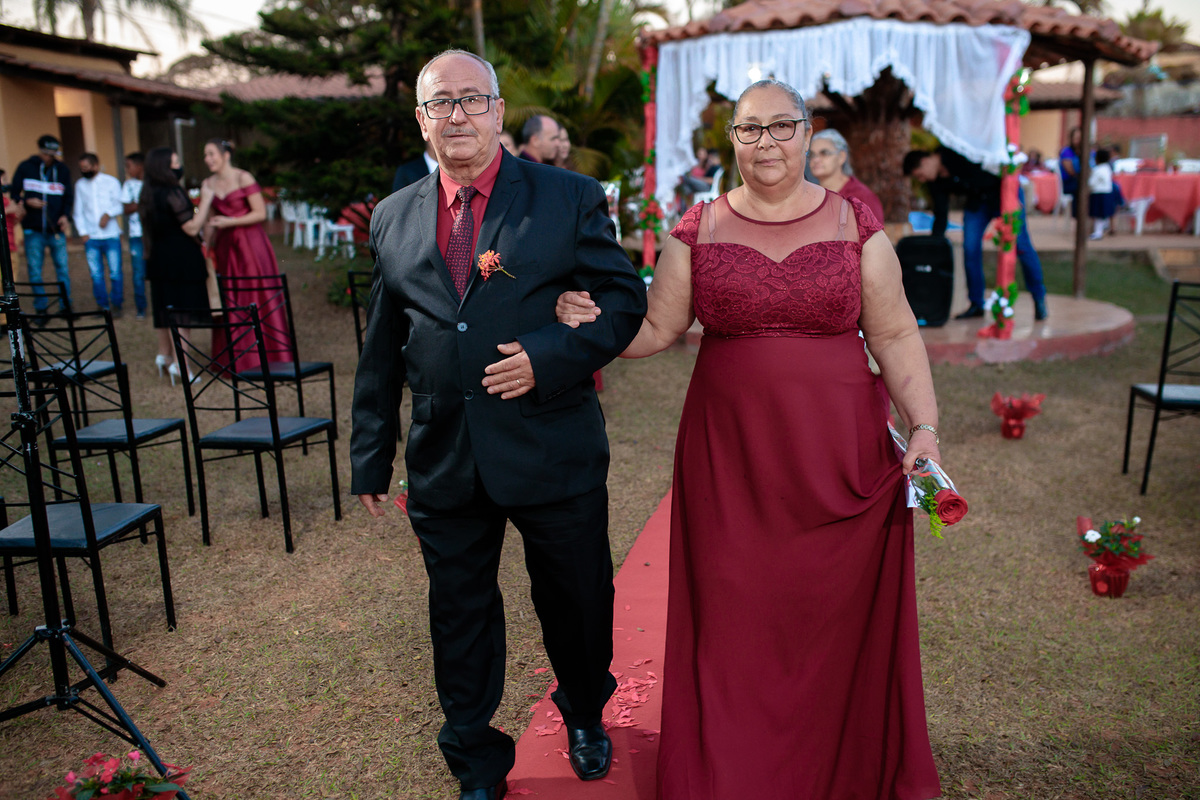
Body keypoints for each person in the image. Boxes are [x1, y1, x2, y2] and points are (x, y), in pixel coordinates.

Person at [555, 78, 943, 800]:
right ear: (732, 140)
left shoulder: (855, 225)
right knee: (734, 613)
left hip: (838, 457)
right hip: (731, 459)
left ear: (807, 132)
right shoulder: (698, 228)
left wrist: (923, 428)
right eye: (749, 129)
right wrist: (590, 322)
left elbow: (894, 334)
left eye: (781, 126)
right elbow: (657, 328)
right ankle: (733, 772)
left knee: (828, 613)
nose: (766, 142)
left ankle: (836, 766)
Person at [349, 49, 646, 800]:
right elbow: (382, 343)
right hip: (445, 454)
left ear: (498, 110)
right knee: (459, 615)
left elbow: (621, 301)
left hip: (552, 444)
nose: (457, 115)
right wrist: (370, 453)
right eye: (440, 103)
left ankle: (586, 712)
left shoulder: (567, 196)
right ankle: (475, 759)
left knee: (577, 601)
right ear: (421, 120)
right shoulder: (392, 215)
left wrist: (548, 357)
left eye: (472, 99)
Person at [903, 146, 1048, 321]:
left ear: (925, 161)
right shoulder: (935, 181)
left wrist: (1012, 195)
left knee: (1022, 245)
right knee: (970, 248)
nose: (922, 179)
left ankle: (1039, 297)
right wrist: (934, 246)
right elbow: (941, 215)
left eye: (920, 175)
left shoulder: (955, 149)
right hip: (978, 203)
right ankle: (976, 303)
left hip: (1003, 192)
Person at [194, 138, 291, 370]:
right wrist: (206, 246)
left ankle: (267, 354)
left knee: (255, 292)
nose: (207, 159)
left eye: (211, 154)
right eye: (205, 155)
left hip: (250, 244)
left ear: (225, 155)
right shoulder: (208, 183)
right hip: (225, 246)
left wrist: (230, 221)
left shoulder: (243, 177)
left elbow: (260, 213)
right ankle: (236, 356)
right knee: (230, 294)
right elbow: (209, 221)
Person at [138, 147, 210, 383]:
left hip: (159, 259)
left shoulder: (148, 192)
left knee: (165, 309)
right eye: (175, 163)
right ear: (164, 168)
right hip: (180, 259)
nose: (179, 167)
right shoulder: (172, 192)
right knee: (180, 313)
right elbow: (191, 227)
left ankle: (165, 355)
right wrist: (206, 200)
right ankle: (182, 365)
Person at [9, 134, 74, 314]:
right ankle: (41, 308)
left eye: (52, 154)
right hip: (33, 229)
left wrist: (65, 216)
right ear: (40, 151)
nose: (49, 157)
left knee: (62, 269)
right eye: (46, 154)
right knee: (35, 270)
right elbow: (14, 193)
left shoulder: (62, 170)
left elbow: (68, 197)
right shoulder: (25, 167)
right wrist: (27, 201)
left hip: (56, 229)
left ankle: (66, 307)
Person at [74, 152, 126, 315]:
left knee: (115, 272)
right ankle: (102, 306)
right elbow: (78, 211)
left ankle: (117, 304)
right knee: (96, 274)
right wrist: (83, 232)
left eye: (86, 167)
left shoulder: (111, 182)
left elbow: (120, 205)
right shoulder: (80, 185)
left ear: (95, 166)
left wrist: (108, 214)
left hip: (111, 235)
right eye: (81, 168)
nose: (84, 170)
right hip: (91, 237)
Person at [809, 128, 886, 223]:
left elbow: (876, 232)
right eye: (812, 154)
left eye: (824, 153)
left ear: (841, 157)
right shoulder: (810, 197)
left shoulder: (862, 197)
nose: (816, 159)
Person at [121, 152, 148, 319]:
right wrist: (142, 203)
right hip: (136, 235)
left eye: (129, 166)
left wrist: (137, 204)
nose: (127, 170)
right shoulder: (128, 184)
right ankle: (141, 308)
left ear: (140, 166)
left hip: (153, 235)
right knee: (138, 273)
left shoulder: (152, 183)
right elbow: (126, 209)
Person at [1088, 148, 1117, 240]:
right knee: (1102, 215)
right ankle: (1100, 229)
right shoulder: (1108, 168)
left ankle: (1098, 233)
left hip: (1098, 194)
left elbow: (1091, 183)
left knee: (1098, 215)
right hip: (1107, 193)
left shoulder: (1097, 170)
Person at [1059, 127, 1082, 211]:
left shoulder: (1085, 151)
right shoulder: (1067, 152)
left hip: (1079, 181)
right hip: (1069, 183)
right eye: (1076, 138)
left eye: (1080, 138)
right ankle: (1077, 213)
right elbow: (1070, 171)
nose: (1078, 141)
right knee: (1082, 188)